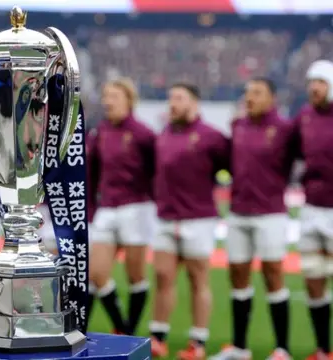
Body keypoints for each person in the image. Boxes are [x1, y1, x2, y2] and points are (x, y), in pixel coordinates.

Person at [209, 78, 295, 360]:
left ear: (272, 98)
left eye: (257, 93)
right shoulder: (238, 125)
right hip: (238, 212)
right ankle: (239, 347)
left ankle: (282, 348)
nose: (250, 98)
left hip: (270, 213)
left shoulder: (284, 129)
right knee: (238, 277)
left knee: (273, 275)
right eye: (247, 93)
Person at [149, 83, 229, 359]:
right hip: (166, 218)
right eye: (171, 97)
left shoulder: (212, 137)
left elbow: (232, 166)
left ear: (194, 103)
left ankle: (198, 342)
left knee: (198, 280)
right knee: (162, 277)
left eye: (179, 98)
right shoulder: (164, 135)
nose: (172, 103)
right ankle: (158, 337)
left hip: (199, 219)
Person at [88, 78, 156, 336]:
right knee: (96, 273)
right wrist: (92, 210)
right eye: (106, 96)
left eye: (114, 96)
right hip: (106, 209)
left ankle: (130, 330)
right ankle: (123, 326)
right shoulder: (101, 132)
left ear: (129, 100)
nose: (108, 101)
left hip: (136, 208)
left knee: (135, 275)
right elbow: (92, 174)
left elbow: (156, 172)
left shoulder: (143, 134)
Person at [295, 59, 333, 360]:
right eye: (311, 83)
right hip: (310, 209)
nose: (314, 88)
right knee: (313, 278)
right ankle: (323, 349)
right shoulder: (304, 118)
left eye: (319, 82)